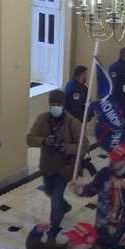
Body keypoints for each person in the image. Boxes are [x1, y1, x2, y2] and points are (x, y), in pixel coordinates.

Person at [27, 90, 87, 238]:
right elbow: (30, 139)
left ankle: (53, 229)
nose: (55, 107)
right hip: (47, 166)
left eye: (58, 104)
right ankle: (65, 206)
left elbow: (84, 145)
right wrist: (44, 140)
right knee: (49, 191)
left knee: (55, 198)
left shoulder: (73, 123)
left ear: (63, 105)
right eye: (52, 104)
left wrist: (67, 147)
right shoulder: (42, 119)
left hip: (65, 167)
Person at [64, 65, 98, 177]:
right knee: (79, 145)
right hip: (75, 123)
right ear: (81, 75)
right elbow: (76, 109)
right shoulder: (74, 89)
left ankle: (79, 165)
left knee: (81, 145)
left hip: (80, 122)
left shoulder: (81, 87)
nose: (87, 77)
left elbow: (86, 103)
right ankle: (77, 167)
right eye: (85, 75)